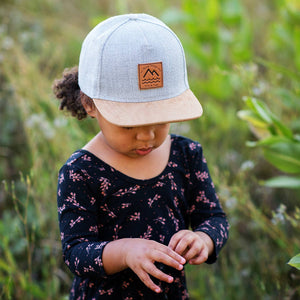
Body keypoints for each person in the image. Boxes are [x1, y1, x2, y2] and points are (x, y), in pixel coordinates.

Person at [53, 13, 229, 300]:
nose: (146, 137)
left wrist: (203, 240)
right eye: (129, 124)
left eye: (160, 121)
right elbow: (76, 253)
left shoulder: (186, 154)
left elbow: (214, 219)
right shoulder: (80, 171)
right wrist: (124, 251)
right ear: (89, 104)